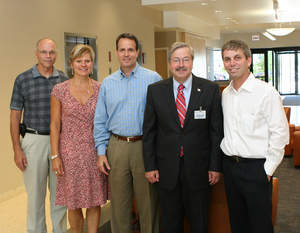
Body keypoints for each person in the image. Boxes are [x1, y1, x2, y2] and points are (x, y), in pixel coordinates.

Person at [143, 42, 223, 233]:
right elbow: (149, 131)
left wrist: (215, 166)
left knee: (200, 223)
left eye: (185, 59)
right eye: (176, 60)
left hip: (200, 169)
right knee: (170, 223)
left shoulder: (210, 90)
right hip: (166, 170)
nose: (181, 64)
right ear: (170, 63)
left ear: (192, 62)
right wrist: (150, 165)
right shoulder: (155, 90)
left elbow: (216, 132)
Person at [94, 33, 161, 233]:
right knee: (119, 205)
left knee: (148, 203)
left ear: (137, 52)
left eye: (130, 49)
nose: (126, 54)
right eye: (122, 50)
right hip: (117, 147)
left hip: (145, 147)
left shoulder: (153, 79)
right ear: (116, 52)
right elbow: (100, 120)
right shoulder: (107, 83)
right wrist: (100, 152)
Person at [220, 40, 289, 233]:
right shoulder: (225, 94)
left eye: (237, 58)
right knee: (237, 223)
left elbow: (280, 134)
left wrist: (267, 170)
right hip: (231, 168)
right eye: (227, 59)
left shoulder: (266, 92)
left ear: (248, 60)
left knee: (260, 225)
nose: (232, 63)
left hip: (256, 169)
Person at [10, 38, 67, 233]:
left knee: (60, 197)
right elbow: (15, 115)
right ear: (36, 54)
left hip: (59, 142)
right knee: (35, 198)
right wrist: (17, 148)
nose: (48, 56)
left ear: (56, 54)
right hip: (33, 141)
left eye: (51, 52)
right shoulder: (23, 79)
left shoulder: (64, 79)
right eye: (44, 52)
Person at [50, 44, 108, 233]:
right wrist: (55, 156)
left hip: (95, 152)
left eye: (87, 60)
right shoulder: (59, 90)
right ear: (71, 63)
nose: (83, 64)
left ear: (92, 63)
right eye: (79, 61)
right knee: (72, 203)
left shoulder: (101, 89)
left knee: (94, 200)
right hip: (69, 154)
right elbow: (55, 125)